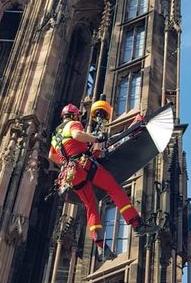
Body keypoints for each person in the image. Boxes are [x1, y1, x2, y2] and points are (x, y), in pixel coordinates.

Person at [48, 103, 157, 261]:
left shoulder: (55, 135)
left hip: (70, 175)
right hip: (83, 165)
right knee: (114, 189)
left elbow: (52, 156)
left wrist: (68, 159)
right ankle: (136, 223)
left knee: (90, 206)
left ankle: (101, 246)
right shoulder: (73, 124)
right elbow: (78, 135)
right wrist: (94, 138)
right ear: (75, 115)